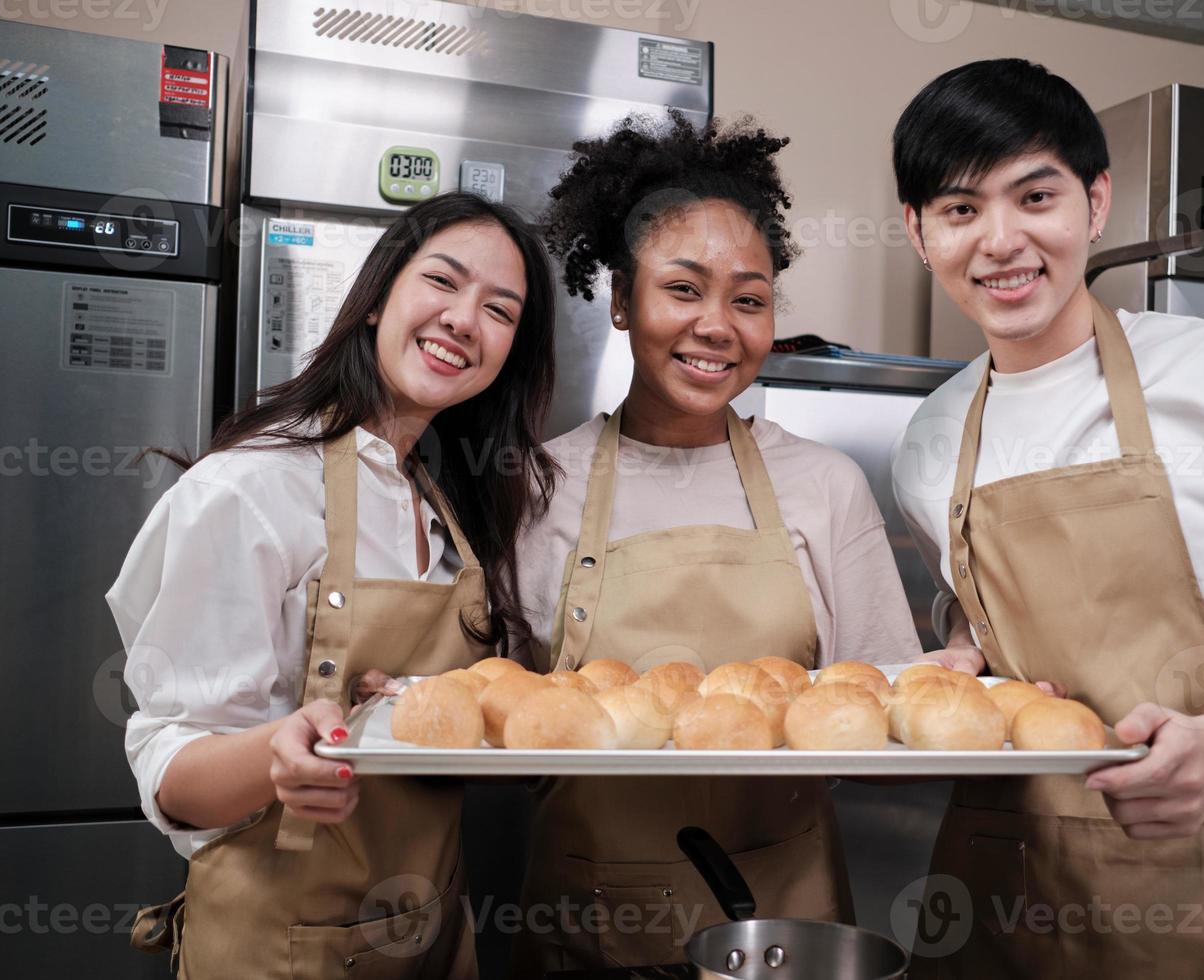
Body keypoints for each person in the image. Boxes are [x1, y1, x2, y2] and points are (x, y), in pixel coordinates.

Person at [888, 60, 1204, 977]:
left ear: (1095, 203)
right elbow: (979, 604)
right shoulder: (930, 437)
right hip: (1001, 903)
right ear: (918, 233)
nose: (1001, 241)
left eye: (1035, 195)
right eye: (960, 209)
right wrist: (970, 652)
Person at [509, 110, 923, 971]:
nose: (717, 327)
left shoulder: (826, 484)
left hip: (787, 921)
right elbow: (500, 717)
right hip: (592, 913)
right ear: (622, 300)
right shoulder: (536, 486)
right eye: (684, 288)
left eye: (749, 299)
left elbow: (883, 712)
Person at [107, 192, 558, 979]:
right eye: (443, 282)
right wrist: (273, 758)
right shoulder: (250, 489)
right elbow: (171, 771)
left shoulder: (457, 504)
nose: (463, 320)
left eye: (500, 310)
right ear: (380, 292)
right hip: (281, 944)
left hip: (432, 934)